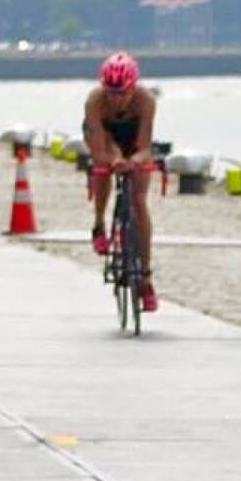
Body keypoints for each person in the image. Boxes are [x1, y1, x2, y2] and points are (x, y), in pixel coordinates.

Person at [82, 51, 159, 313]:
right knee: (103, 169)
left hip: (133, 139)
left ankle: (146, 278)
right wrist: (111, 160)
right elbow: (97, 147)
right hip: (106, 137)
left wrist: (136, 161)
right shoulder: (95, 102)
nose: (116, 100)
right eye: (111, 93)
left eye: (122, 93)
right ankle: (99, 224)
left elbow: (145, 146)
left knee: (139, 201)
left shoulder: (146, 101)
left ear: (133, 88)